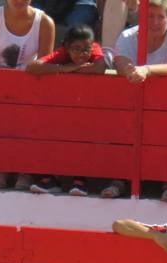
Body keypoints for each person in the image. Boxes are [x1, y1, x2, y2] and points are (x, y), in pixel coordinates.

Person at [107, 0, 167, 201]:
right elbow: (120, 62)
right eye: (150, 16)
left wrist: (145, 70)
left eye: (160, 17)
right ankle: (119, 178)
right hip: (136, 99)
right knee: (120, 122)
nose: (155, 22)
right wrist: (130, 70)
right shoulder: (129, 35)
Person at [24, 24, 106, 197]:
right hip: (63, 108)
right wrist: (66, 68)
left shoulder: (95, 49)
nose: (82, 54)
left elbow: (100, 68)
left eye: (86, 50)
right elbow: (32, 67)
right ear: (67, 47)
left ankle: (80, 179)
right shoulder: (62, 53)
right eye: (76, 49)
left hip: (91, 110)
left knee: (84, 138)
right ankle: (49, 178)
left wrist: (69, 68)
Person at [0, 0, 55, 193]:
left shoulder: (45, 22)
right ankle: (1, 167)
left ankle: (26, 169)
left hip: (31, 89)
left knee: (30, 116)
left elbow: (43, 66)